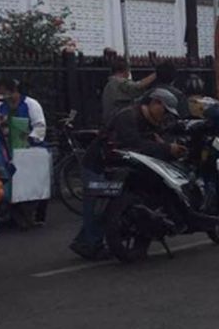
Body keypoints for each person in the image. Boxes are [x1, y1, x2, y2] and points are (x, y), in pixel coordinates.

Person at [71, 88, 185, 260]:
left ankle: (88, 241)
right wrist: (167, 148)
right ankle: (88, 243)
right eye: (165, 110)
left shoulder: (148, 122)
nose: (165, 116)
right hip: (98, 166)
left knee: (110, 207)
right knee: (98, 206)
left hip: (118, 168)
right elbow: (135, 144)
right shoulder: (128, 117)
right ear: (155, 103)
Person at [0, 78, 50, 227]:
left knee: (37, 184)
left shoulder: (31, 104)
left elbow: (39, 126)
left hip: (31, 149)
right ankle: (19, 216)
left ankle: (38, 215)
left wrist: (31, 140)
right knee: (15, 184)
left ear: (12, 91)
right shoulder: (1, 107)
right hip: (9, 149)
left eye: (3, 91)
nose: (0, 95)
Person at [101, 58, 155, 124]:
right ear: (125, 70)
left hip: (111, 121)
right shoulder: (119, 82)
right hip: (119, 121)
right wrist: (155, 75)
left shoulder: (109, 84)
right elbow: (138, 86)